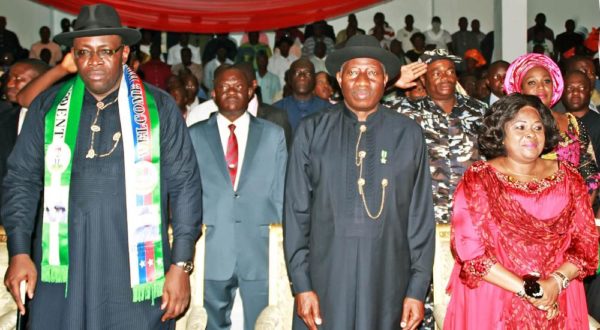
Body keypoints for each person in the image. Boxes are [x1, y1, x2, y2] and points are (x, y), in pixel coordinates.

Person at [2, 5, 202, 329]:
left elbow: (185, 187)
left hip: (134, 274)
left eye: (105, 51)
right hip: (61, 272)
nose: (94, 61)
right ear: (74, 56)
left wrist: (180, 265)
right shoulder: (49, 107)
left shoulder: (160, 108)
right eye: (84, 52)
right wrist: (19, 250)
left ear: (124, 54)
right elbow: (21, 180)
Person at [284, 34, 434, 330]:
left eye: (372, 72)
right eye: (353, 71)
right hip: (325, 280)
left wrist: (417, 290)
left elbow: (420, 219)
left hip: (389, 280)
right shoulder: (312, 131)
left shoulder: (408, 134)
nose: (362, 80)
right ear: (339, 77)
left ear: (385, 79)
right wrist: (301, 285)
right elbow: (296, 212)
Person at [444, 93, 598, 329]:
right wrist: (530, 290)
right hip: (496, 293)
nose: (531, 134)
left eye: (538, 127)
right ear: (501, 134)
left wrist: (555, 282)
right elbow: (470, 252)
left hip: (559, 291)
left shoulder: (568, 176)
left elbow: (586, 242)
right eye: (520, 127)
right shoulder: (479, 179)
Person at [188, 64, 286, 330]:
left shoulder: (273, 135)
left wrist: (281, 250)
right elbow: (188, 196)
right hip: (211, 250)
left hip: (260, 251)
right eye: (224, 86)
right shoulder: (194, 135)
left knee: (264, 323)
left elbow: (280, 195)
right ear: (213, 93)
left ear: (252, 89)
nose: (231, 91)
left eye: (238, 86)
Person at [504, 53, 600, 191]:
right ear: (521, 89)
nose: (541, 87)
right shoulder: (509, 126)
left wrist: (578, 210)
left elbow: (590, 177)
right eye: (532, 82)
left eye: (547, 81)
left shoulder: (572, 123)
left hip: (575, 207)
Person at [272, 58, 329, 132]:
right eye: (297, 72)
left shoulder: (328, 111)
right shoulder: (275, 111)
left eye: (307, 73)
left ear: (314, 79)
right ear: (290, 79)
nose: (302, 76)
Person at [562, 70, 600, 166]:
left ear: (590, 92)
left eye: (581, 88)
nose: (575, 92)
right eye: (570, 88)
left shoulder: (597, 124)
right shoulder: (557, 122)